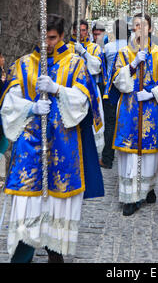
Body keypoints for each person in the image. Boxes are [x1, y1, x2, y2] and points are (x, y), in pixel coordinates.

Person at [0, 14, 104, 263]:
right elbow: (9, 103)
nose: (46, 43)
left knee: (57, 206)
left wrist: (58, 90)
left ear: (61, 36)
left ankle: (54, 252)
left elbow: (84, 101)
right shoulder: (24, 64)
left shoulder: (76, 64)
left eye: (52, 38)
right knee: (27, 207)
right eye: (42, 37)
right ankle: (22, 255)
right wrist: (30, 108)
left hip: (63, 145)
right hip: (29, 147)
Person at [104, 13, 158, 216]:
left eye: (143, 25)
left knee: (151, 155)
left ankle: (148, 188)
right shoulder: (124, 53)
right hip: (129, 109)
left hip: (152, 109)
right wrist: (133, 64)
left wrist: (153, 93)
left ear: (150, 29)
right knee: (130, 153)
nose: (139, 28)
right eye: (136, 25)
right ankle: (131, 197)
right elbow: (116, 80)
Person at [68, 19, 106, 153]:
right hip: (72, 90)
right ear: (73, 31)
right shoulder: (67, 48)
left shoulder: (94, 48)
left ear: (87, 31)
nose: (81, 33)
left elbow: (97, 67)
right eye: (78, 30)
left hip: (91, 89)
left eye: (83, 30)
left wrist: (84, 52)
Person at [99, 19, 129, 169]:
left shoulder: (108, 47)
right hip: (128, 88)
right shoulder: (131, 47)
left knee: (110, 124)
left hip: (110, 88)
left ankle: (107, 158)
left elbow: (103, 65)